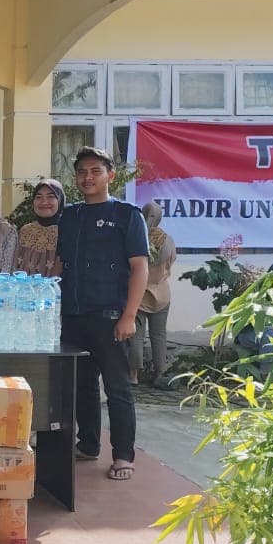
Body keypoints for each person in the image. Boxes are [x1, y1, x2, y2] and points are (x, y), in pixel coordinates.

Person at [57, 147, 148, 481]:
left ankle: (123, 455)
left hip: (111, 317)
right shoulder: (70, 216)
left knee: (118, 388)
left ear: (111, 175)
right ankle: (89, 444)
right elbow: (60, 264)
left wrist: (129, 316)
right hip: (74, 316)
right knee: (81, 386)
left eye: (95, 171)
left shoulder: (127, 215)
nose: (87, 177)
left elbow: (140, 268)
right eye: (81, 171)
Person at [131, 200, 177, 389]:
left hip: (139, 294)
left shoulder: (136, 237)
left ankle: (132, 375)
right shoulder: (168, 240)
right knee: (159, 335)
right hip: (162, 294)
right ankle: (160, 372)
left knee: (136, 336)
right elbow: (171, 261)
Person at [15, 180, 65, 277]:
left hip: (55, 291)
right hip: (24, 290)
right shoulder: (26, 231)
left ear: (60, 200)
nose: (44, 202)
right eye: (38, 197)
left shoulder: (67, 232)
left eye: (51, 196)